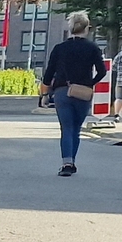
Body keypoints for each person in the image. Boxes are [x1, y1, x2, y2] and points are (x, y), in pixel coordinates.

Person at [40, 12, 107, 177]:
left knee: (66, 128)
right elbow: (102, 71)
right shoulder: (92, 48)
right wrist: (89, 84)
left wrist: (46, 93)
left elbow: (49, 73)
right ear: (87, 28)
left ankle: (67, 163)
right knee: (76, 129)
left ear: (70, 28)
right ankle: (73, 161)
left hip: (62, 91)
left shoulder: (59, 48)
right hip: (82, 93)